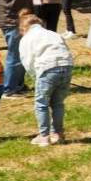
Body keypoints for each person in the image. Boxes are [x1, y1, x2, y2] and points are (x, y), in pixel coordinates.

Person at [19, 11, 74, 146]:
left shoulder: (27, 38)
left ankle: (44, 137)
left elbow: (27, 61)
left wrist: (36, 77)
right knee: (58, 103)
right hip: (66, 66)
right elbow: (65, 50)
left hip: (46, 68)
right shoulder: (54, 34)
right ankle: (58, 134)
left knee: (41, 104)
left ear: (24, 28)